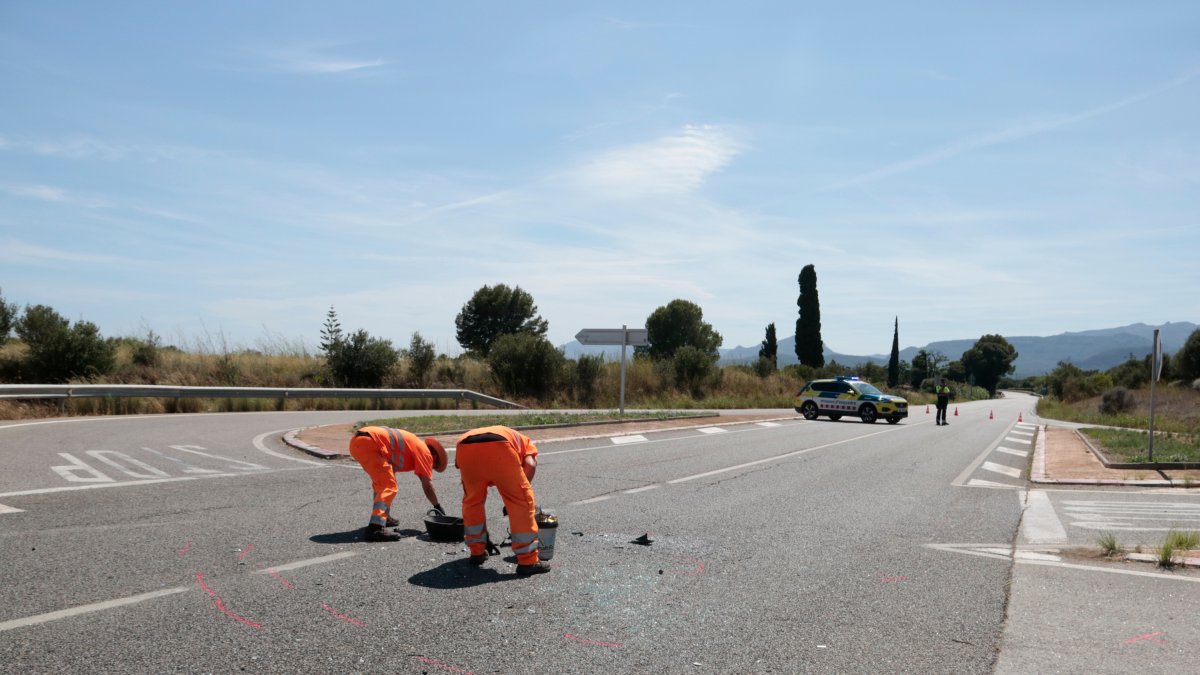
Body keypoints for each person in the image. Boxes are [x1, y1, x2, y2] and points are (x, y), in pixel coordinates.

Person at [455, 425, 549, 575]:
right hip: (500, 447)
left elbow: (457, 464)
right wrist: (518, 494)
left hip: (464, 445)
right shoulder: (527, 443)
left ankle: (477, 552)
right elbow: (530, 464)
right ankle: (528, 561)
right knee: (521, 504)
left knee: (472, 502)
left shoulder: (507, 434)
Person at [348, 426, 448, 542]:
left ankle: (384, 518)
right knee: (388, 486)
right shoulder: (425, 453)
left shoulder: (412, 446)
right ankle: (375, 528)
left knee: (382, 483)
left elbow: (390, 469)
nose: (430, 467)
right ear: (434, 457)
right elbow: (427, 486)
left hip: (358, 442)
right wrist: (437, 506)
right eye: (433, 466)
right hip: (370, 443)